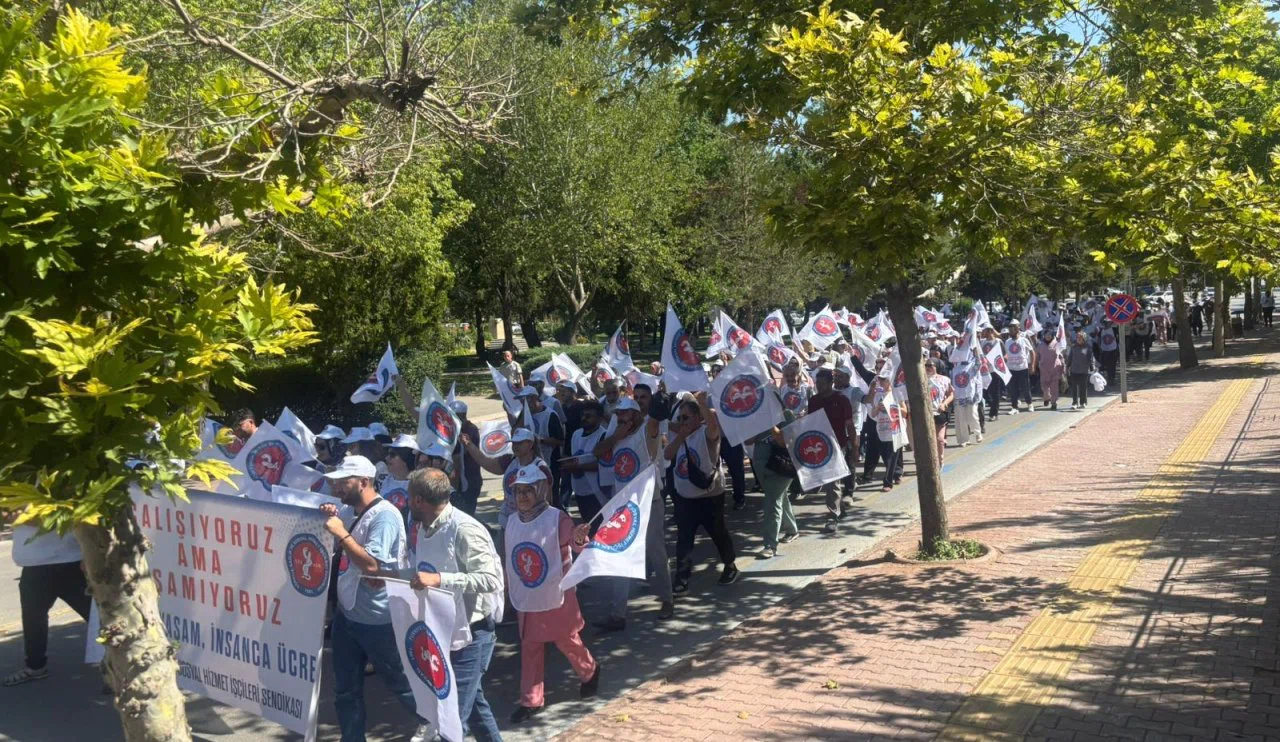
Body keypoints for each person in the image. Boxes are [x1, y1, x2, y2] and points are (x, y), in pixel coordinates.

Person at [318, 455, 420, 742]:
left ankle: (440, 725)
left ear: (364, 482)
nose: (336, 487)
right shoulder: (353, 510)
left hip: (377, 618)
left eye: (343, 482)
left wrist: (341, 534)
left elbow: (374, 564)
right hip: (348, 614)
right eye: (335, 482)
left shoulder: (385, 515)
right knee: (345, 688)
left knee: (400, 681)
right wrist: (333, 517)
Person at [403, 468, 504, 742]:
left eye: (409, 497)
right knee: (474, 708)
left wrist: (439, 579)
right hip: (443, 633)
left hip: (472, 635)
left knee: (450, 722)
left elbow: (489, 579)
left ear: (420, 501)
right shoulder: (423, 527)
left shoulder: (464, 529)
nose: (406, 502)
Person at [507, 466, 600, 723]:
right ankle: (531, 700)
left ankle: (590, 671)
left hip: (555, 591)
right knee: (531, 645)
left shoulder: (556, 518)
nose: (523, 496)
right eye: (518, 491)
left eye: (528, 490)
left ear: (540, 490)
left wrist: (580, 537)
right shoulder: (513, 521)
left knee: (566, 640)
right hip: (528, 594)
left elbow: (576, 543)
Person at [592, 397, 674, 628]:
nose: (620, 417)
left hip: (649, 501)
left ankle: (667, 600)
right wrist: (616, 436)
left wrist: (660, 402)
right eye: (619, 414)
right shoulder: (617, 436)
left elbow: (655, 423)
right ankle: (618, 614)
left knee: (656, 551)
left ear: (637, 415)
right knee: (622, 556)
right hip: (624, 506)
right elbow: (597, 452)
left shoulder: (647, 433)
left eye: (626, 413)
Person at [666, 392, 739, 592]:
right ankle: (681, 578)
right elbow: (667, 454)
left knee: (718, 533)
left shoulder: (707, 434)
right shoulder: (680, 435)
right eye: (679, 418)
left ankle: (730, 565)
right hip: (685, 498)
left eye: (686, 417)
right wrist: (680, 434)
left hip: (710, 497)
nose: (682, 421)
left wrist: (701, 403)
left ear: (698, 418)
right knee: (684, 538)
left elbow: (713, 425)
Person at [4, 523, 92, 687]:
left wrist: (22, 515)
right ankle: (35, 666)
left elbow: (61, 516)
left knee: (97, 616)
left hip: (68, 561)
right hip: (35, 565)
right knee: (33, 619)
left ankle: (122, 664)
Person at [806, 368, 855, 533]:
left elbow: (850, 425)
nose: (818, 386)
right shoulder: (813, 401)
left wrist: (854, 446)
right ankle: (840, 508)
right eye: (817, 383)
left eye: (822, 383)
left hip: (837, 445)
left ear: (830, 383)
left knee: (832, 480)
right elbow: (810, 424)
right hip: (820, 446)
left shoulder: (841, 400)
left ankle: (832, 516)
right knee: (831, 481)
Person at [749, 425, 799, 559]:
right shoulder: (755, 417)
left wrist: (770, 423)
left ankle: (770, 546)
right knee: (780, 497)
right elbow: (748, 441)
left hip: (781, 466)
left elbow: (785, 440)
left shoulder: (785, 414)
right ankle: (792, 530)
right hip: (762, 467)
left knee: (772, 503)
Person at [926, 359, 954, 463]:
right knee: (929, 440)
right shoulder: (921, 379)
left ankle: (940, 459)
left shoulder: (944, 379)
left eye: (930, 365)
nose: (928, 367)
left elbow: (951, 394)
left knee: (939, 439)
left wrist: (944, 403)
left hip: (939, 413)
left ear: (937, 366)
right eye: (926, 365)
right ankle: (931, 460)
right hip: (926, 414)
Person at [1004, 324, 1035, 413]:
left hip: (1022, 368)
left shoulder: (1024, 340)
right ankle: (1014, 407)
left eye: (1012, 330)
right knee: (1013, 389)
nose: (1010, 332)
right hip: (1011, 368)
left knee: (1026, 388)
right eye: (1009, 330)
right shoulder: (1007, 341)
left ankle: (1030, 404)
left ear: (1017, 330)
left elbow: (1032, 352)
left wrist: (1032, 365)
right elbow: (1007, 353)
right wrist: (1005, 358)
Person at [1067, 331, 1095, 409]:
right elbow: (1070, 357)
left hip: (1084, 370)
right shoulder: (1073, 347)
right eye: (1077, 337)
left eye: (1080, 337)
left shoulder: (1087, 347)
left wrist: (1092, 367)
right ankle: (1075, 403)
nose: (1078, 339)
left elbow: (1091, 358)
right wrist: (1067, 366)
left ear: (1084, 339)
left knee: (1083, 387)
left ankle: (1083, 402)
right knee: (1074, 388)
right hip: (1074, 370)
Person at [1036, 330, 1063, 411]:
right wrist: (1036, 366)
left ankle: (1054, 403)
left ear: (1052, 335)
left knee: (1054, 387)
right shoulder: (1040, 345)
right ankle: (1047, 398)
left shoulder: (1057, 344)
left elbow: (1061, 356)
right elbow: (1037, 355)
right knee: (1044, 387)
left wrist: (1063, 366)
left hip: (1055, 369)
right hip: (1044, 369)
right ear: (1044, 335)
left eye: (1049, 334)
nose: (1048, 336)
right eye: (1046, 334)